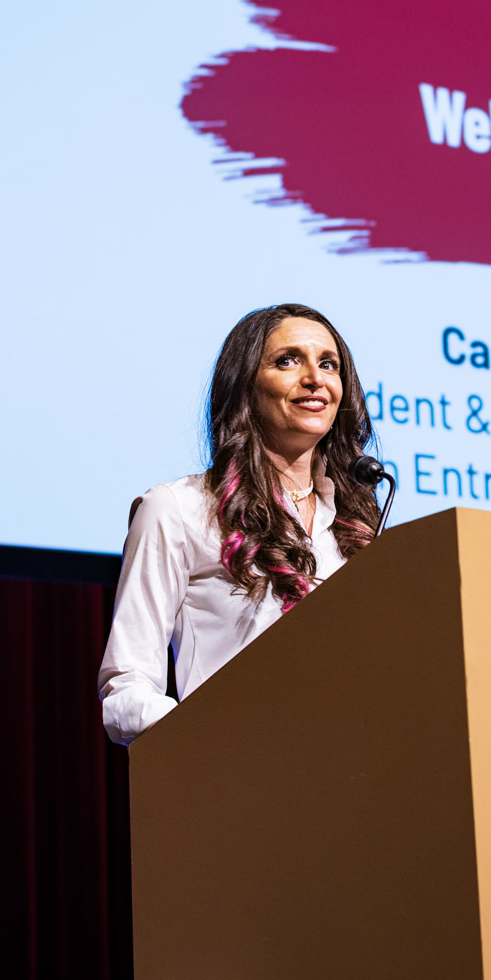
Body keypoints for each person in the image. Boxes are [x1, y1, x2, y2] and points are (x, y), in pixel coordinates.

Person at [98, 303, 381, 745]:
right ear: (245, 385)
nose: (316, 379)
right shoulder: (177, 508)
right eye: (288, 360)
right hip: (241, 782)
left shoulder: (357, 525)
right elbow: (127, 688)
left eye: (329, 364)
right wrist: (216, 742)